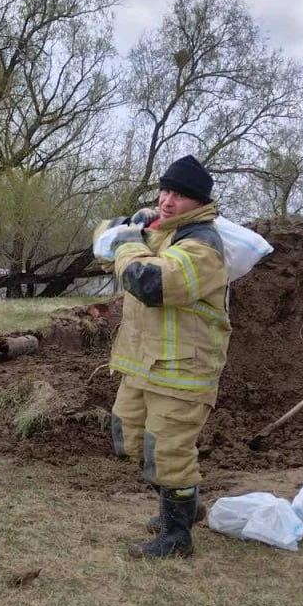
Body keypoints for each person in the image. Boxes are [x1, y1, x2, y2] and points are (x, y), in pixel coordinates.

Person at [94, 155, 231, 559]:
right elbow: (105, 241)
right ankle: (186, 507)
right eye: (165, 191)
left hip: (183, 370)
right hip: (143, 365)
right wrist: (132, 227)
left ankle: (177, 537)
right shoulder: (161, 231)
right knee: (131, 440)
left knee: (168, 453)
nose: (169, 201)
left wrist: (129, 242)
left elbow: (151, 283)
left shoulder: (203, 245)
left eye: (180, 195)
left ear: (200, 203)